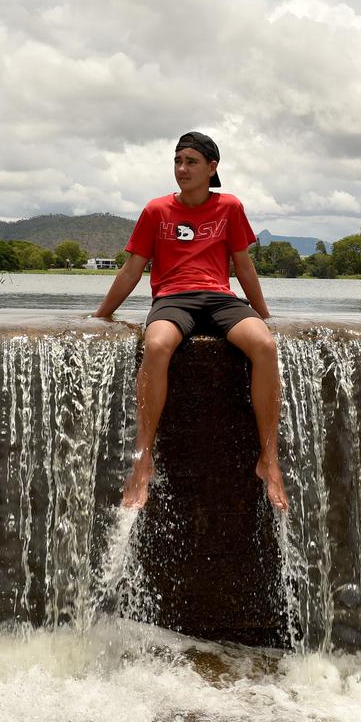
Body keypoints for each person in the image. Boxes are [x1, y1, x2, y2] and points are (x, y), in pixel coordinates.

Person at [93, 131, 289, 512]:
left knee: (264, 345)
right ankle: (142, 460)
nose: (182, 169)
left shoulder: (229, 207)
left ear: (212, 168)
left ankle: (269, 459)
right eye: (177, 161)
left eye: (191, 162)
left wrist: (264, 315)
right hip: (173, 299)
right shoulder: (156, 211)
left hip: (218, 299)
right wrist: (101, 315)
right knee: (157, 345)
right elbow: (133, 269)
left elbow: (243, 266)